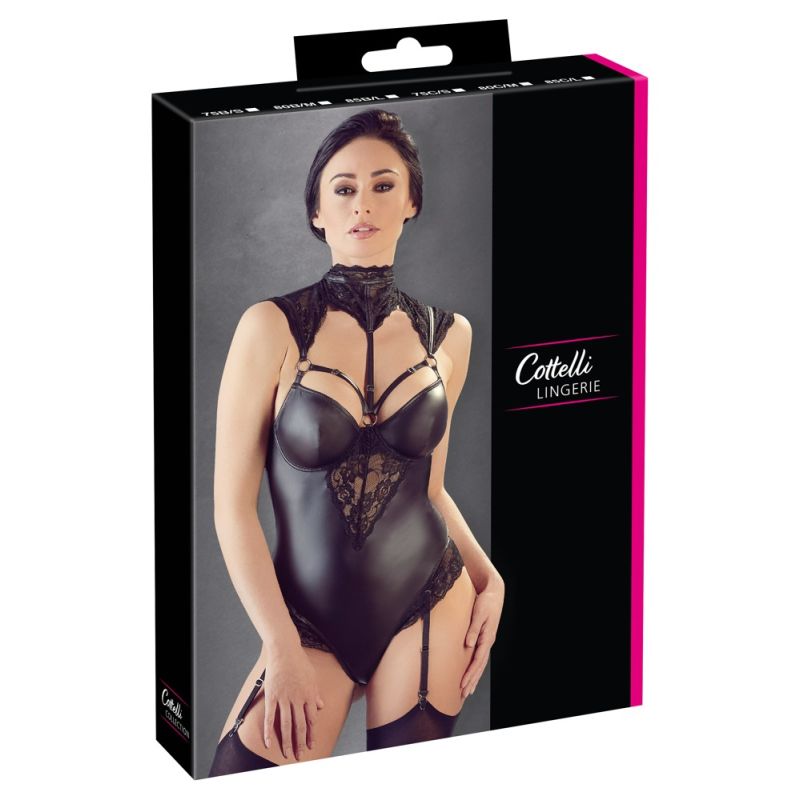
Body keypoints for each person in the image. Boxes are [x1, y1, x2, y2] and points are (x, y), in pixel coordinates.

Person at [208, 109, 504, 776]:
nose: (362, 204)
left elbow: (428, 489)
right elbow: (231, 509)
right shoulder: (271, 328)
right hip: (306, 622)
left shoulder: (449, 335)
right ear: (317, 210)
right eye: (343, 188)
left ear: (412, 200)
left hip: (430, 601)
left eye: (383, 185)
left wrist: (491, 580)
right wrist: (280, 646)